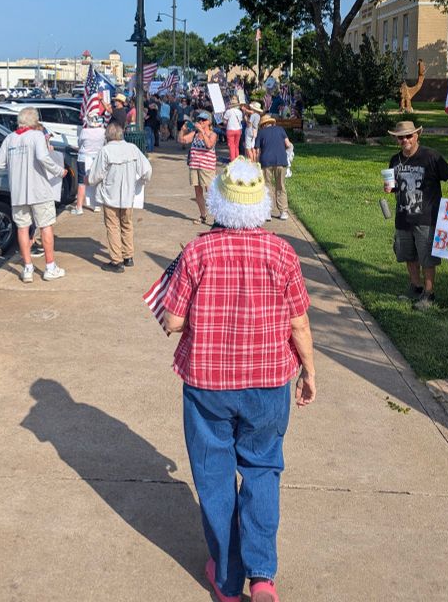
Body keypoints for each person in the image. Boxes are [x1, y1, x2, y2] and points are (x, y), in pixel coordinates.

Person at [163, 157, 315, 602]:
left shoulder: (197, 251)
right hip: (268, 382)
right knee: (263, 470)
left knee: (214, 478)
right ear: (261, 203)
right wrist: (309, 370)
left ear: (218, 201)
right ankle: (262, 576)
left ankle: (227, 581)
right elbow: (299, 322)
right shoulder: (282, 252)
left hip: (208, 382)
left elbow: (172, 320)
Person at [384, 120, 448, 310]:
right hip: (403, 218)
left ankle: (429, 294)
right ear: (396, 139)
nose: (405, 140)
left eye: (409, 136)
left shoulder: (431, 157)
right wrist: (388, 188)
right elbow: (392, 187)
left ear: (417, 135)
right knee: (408, 256)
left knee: (427, 258)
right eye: (401, 137)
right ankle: (415, 288)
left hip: (427, 218)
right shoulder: (395, 160)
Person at [0, 107, 68, 283]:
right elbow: (43, 157)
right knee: (46, 226)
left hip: (18, 192)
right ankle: (50, 267)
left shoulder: (10, 138)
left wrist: (15, 166)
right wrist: (59, 171)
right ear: (34, 121)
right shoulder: (36, 136)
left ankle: (27, 268)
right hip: (39, 190)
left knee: (22, 228)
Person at [88, 121, 152, 272]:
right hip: (128, 195)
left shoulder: (106, 151)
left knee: (113, 227)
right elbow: (147, 170)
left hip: (110, 195)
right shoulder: (133, 148)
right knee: (127, 225)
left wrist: (89, 180)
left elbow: (95, 176)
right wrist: (140, 182)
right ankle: (128, 256)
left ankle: (117, 261)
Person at [179, 110, 218, 225]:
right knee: (198, 192)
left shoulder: (212, 134)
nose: (201, 121)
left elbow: (209, 145)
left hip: (207, 167)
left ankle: (217, 217)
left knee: (210, 192)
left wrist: (202, 131)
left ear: (209, 122)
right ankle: (203, 215)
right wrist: (182, 130)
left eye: (203, 120)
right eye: (199, 119)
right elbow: (182, 140)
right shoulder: (195, 134)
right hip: (195, 166)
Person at [254, 116, 291, 221]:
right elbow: (288, 144)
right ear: (271, 123)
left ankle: (267, 212)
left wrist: (257, 164)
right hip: (281, 160)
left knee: (267, 186)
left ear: (263, 124)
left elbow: (257, 151)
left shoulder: (261, 133)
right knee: (280, 186)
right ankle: (283, 211)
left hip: (266, 161)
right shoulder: (280, 129)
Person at [71, 112, 106, 216]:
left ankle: (79, 207)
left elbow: (80, 144)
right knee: (97, 180)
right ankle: (97, 205)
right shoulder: (103, 131)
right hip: (97, 158)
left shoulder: (84, 132)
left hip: (84, 157)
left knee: (82, 183)